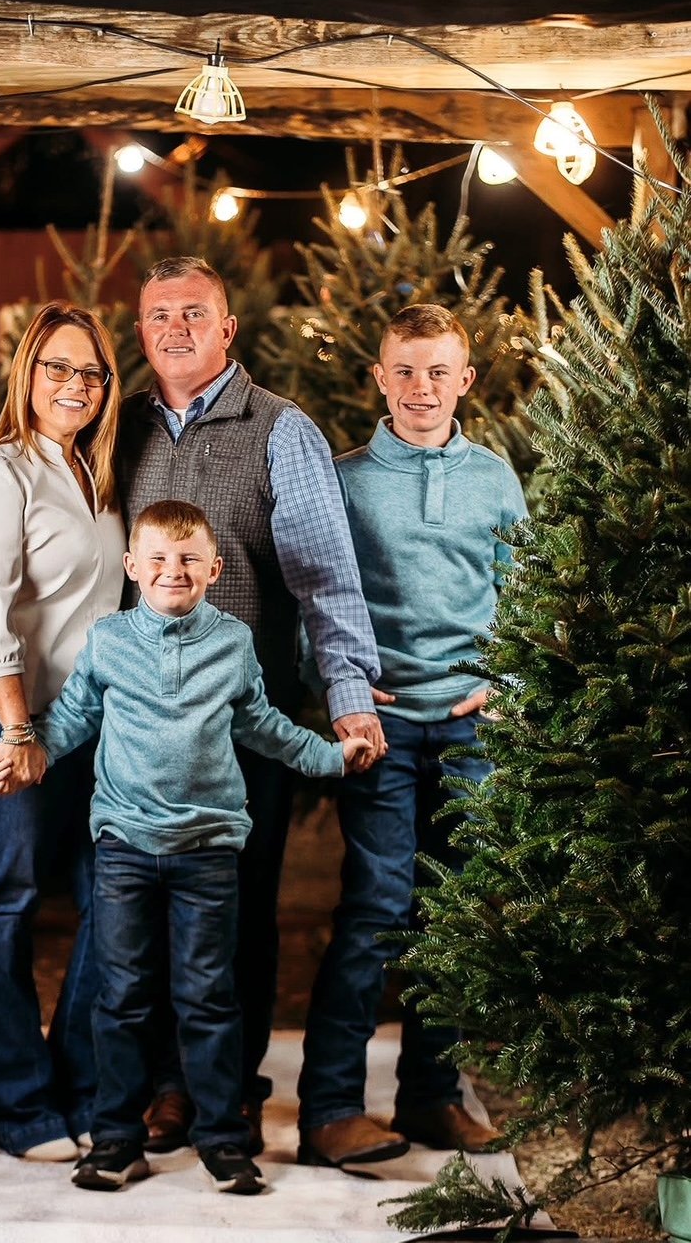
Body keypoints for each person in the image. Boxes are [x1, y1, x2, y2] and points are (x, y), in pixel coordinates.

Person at [0, 500, 374, 1194]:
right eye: (158, 558)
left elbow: (263, 725)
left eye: (190, 559)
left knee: (208, 998)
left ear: (214, 570)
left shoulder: (233, 642)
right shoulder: (109, 640)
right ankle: (115, 1139)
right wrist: (30, 753)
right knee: (123, 998)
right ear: (131, 567)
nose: (174, 570)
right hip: (124, 850)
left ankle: (221, 1141)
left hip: (207, 852)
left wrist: (328, 756)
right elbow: (73, 719)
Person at [116, 256, 383, 1152]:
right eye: (160, 315)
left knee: (235, 904)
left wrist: (347, 694)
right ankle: (165, 1087)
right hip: (138, 720)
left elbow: (324, 579)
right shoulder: (122, 429)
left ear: (227, 329)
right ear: (142, 331)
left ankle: (225, 1088)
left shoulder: (280, 429)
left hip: (242, 719)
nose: (176, 328)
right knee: (145, 904)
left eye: (195, 313)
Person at [296, 303, 529, 1171]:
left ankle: (431, 1096)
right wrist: (342, 686)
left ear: (465, 380)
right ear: (379, 378)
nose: (420, 387)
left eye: (437, 371)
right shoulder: (345, 480)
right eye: (404, 370)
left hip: (471, 728)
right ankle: (329, 1107)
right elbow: (314, 594)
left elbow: (524, 593)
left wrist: (505, 680)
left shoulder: (495, 479)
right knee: (377, 908)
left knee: (454, 911)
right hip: (382, 726)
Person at [0, 302, 125, 1162]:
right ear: (26, 373)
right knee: (5, 902)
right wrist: (19, 730)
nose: (75, 384)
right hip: (7, 717)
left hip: (92, 725)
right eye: (58, 366)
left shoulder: (98, 475)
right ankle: (17, 1106)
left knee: (111, 899)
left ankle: (81, 1082)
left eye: (91, 372)